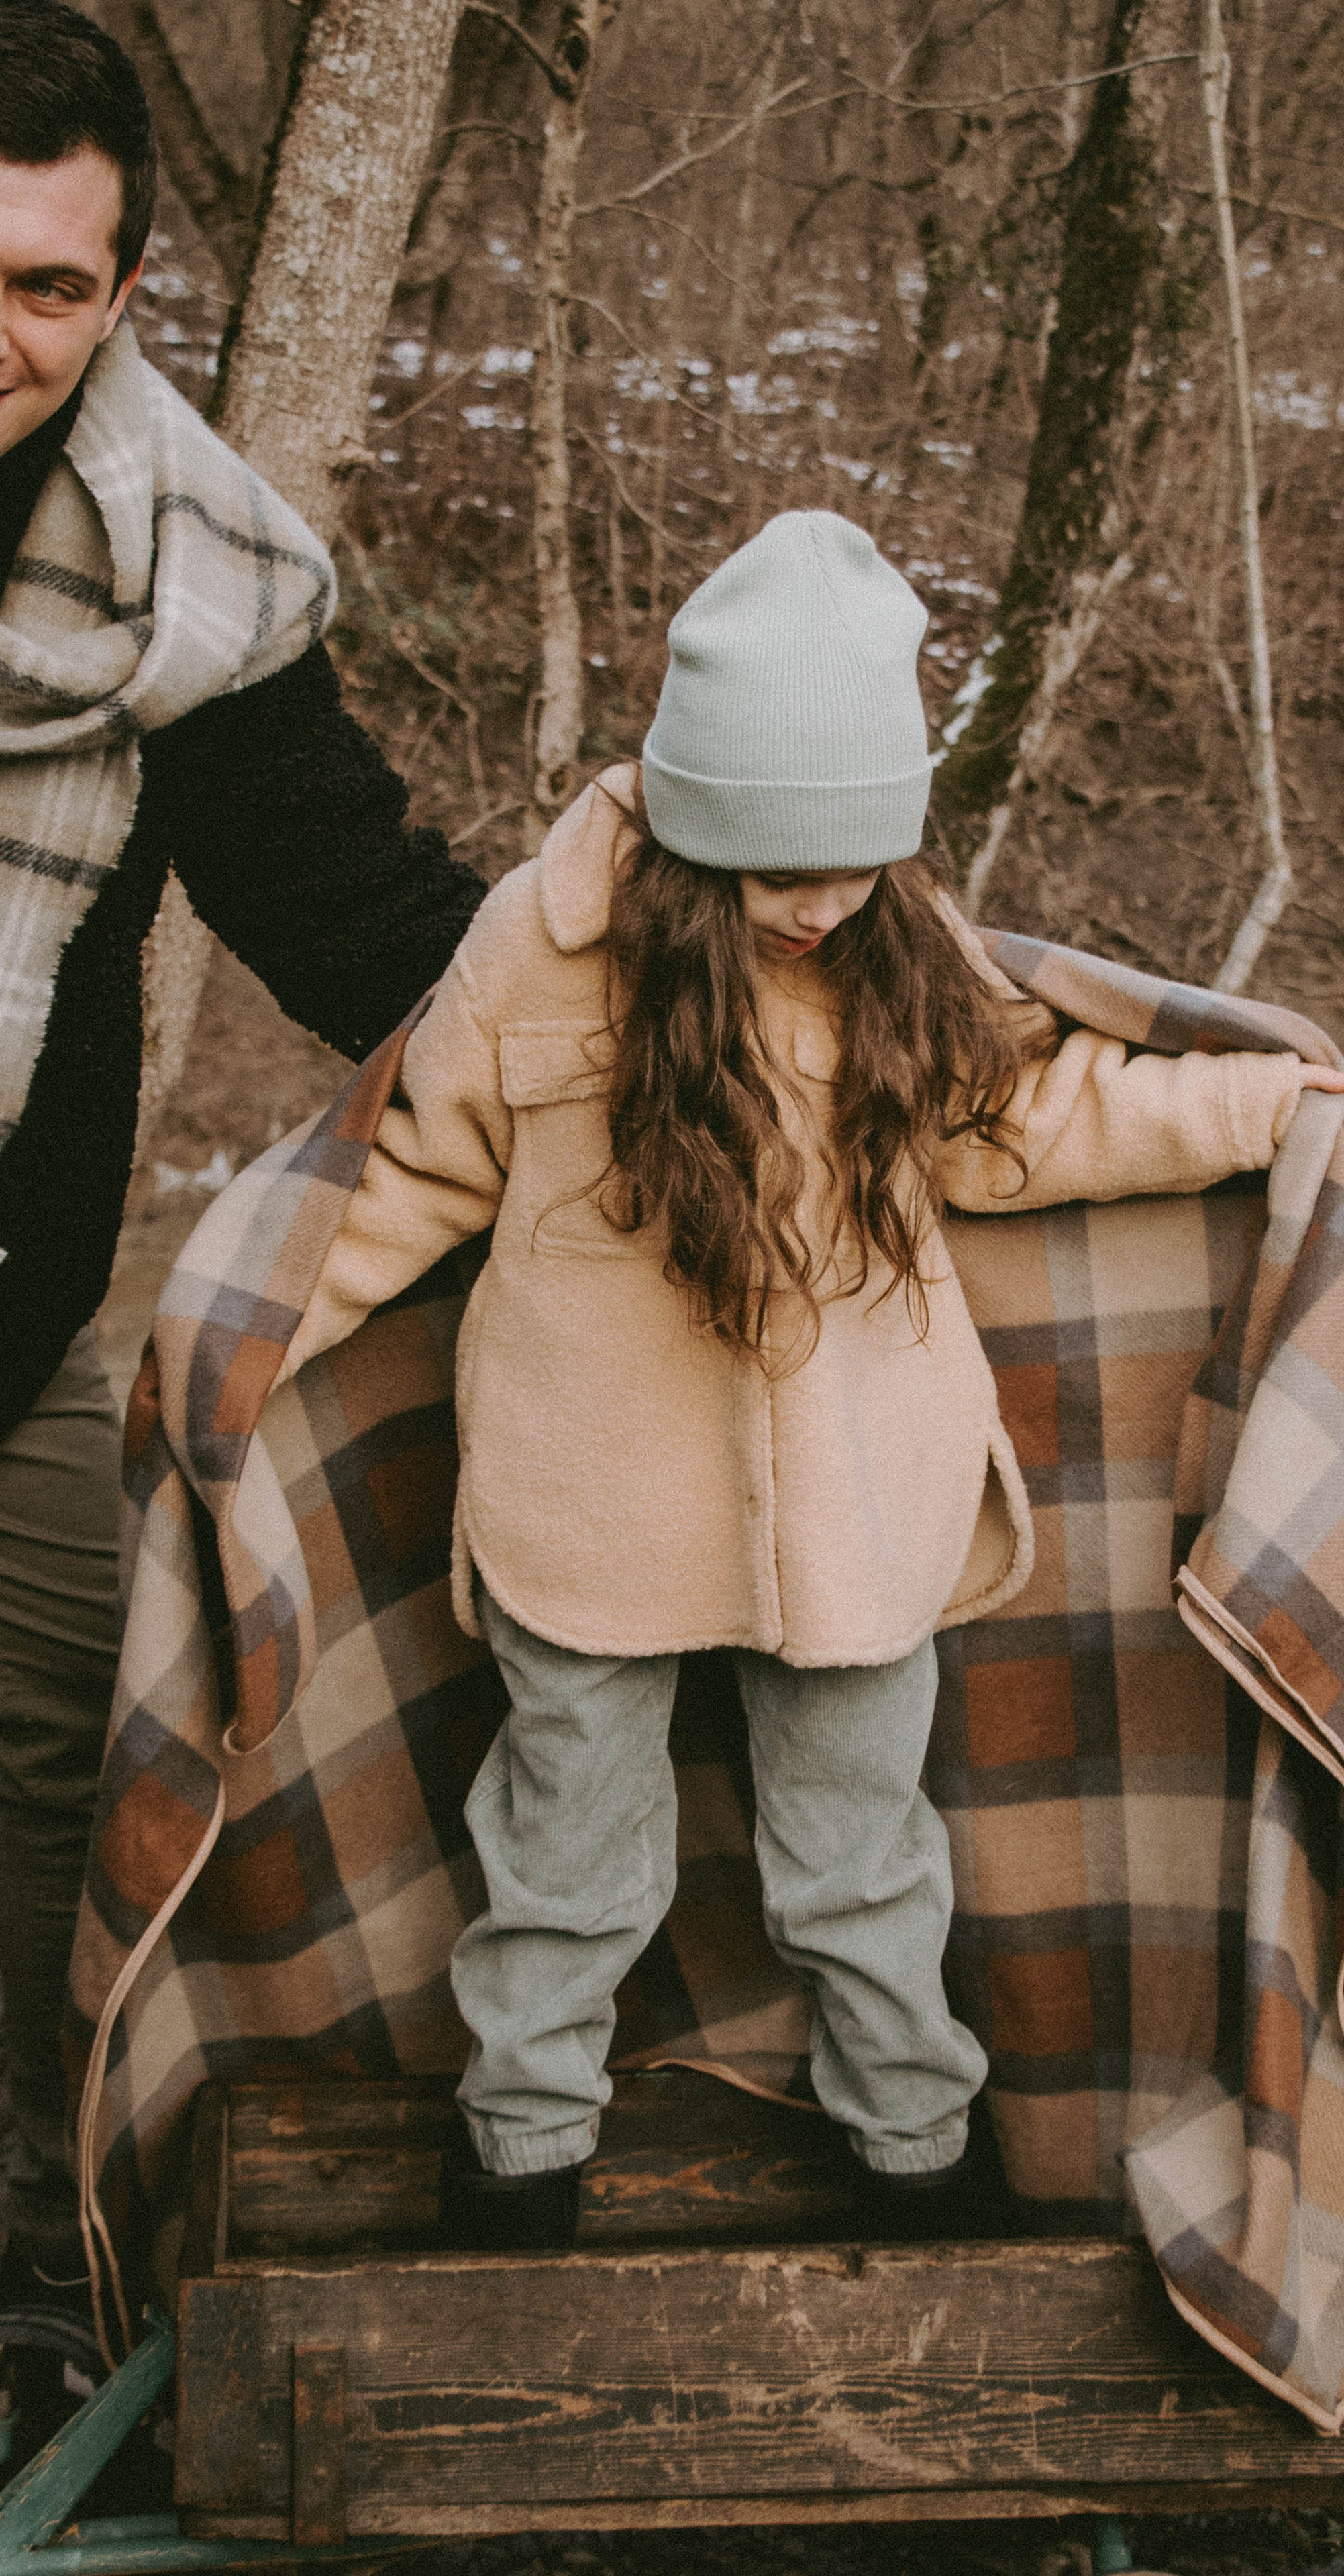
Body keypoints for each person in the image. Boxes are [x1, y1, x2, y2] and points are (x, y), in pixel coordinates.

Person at [280, 508, 1344, 2249]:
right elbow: (417, 1171)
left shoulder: (889, 944)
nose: (817, 908)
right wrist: (267, 1328)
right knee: (566, 1857)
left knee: (866, 1858)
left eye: (854, 867)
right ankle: (523, 2154)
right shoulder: (533, 951)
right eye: (780, 872)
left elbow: (1024, 1122)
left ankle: (912, 2151)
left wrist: (1253, 1105)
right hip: (590, 1500)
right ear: (694, 832)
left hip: (857, 1503)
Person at [0, 0, 486, 2316]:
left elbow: (371, 922)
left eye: (47, 286)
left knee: (76, 1784)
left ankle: (26, 2261)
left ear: (119, 301)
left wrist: (703, 995)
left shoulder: (176, 587)